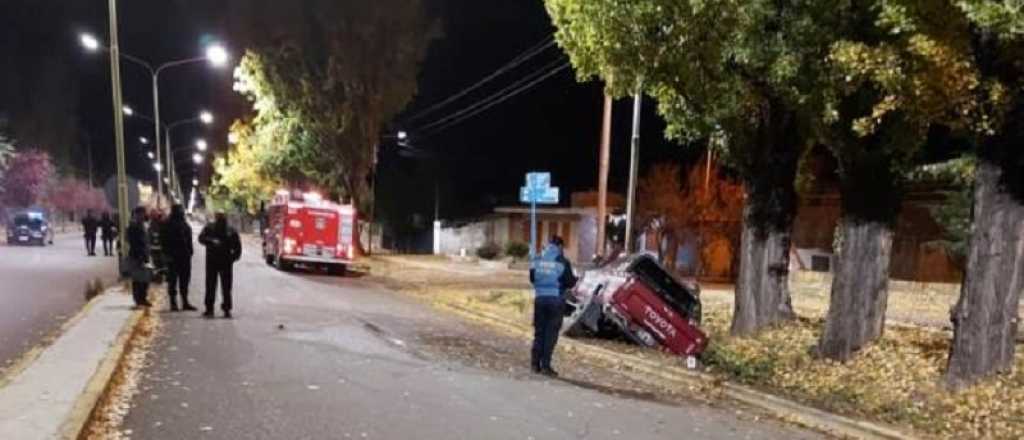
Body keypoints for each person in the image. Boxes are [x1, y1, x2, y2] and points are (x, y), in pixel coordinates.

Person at [528, 235, 578, 377]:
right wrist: (575, 279)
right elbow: (569, 282)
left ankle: (534, 364)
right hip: (555, 301)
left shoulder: (537, 259)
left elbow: (532, 278)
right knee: (550, 334)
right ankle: (546, 366)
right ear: (560, 246)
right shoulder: (562, 261)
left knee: (539, 333)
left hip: (540, 300)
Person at [198, 212, 242, 319]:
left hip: (215, 261)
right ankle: (224, 309)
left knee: (213, 285)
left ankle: (212, 309)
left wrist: (210, 242)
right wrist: (233, 258)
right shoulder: (229, 230)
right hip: (223, 262)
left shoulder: (211, 228)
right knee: (224, 286)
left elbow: (201, 238)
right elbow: (238, 248)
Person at [161, 204, 196, 312]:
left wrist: (190, 251)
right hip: (173, 256)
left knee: (184, 279)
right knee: (173, 280)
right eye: (180, 210)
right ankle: (174, 302)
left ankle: (184, 301)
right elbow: (164, 241)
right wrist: (167, 254)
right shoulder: (168, 224)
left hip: (184, 256)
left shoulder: (183, 224)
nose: (181, 212)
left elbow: (188, 239)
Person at [127, 206, 152, 308]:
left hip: (144, 255)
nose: (143, 215)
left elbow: (145, 241)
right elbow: (132, 241)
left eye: (143, 213)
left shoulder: (143, 225)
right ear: (137, 214)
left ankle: (143, 298)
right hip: (137, 256)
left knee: (145, 279)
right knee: (138, 280)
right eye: (141, 213)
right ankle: (138, 300)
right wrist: (140, 255)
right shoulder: (133, 226)